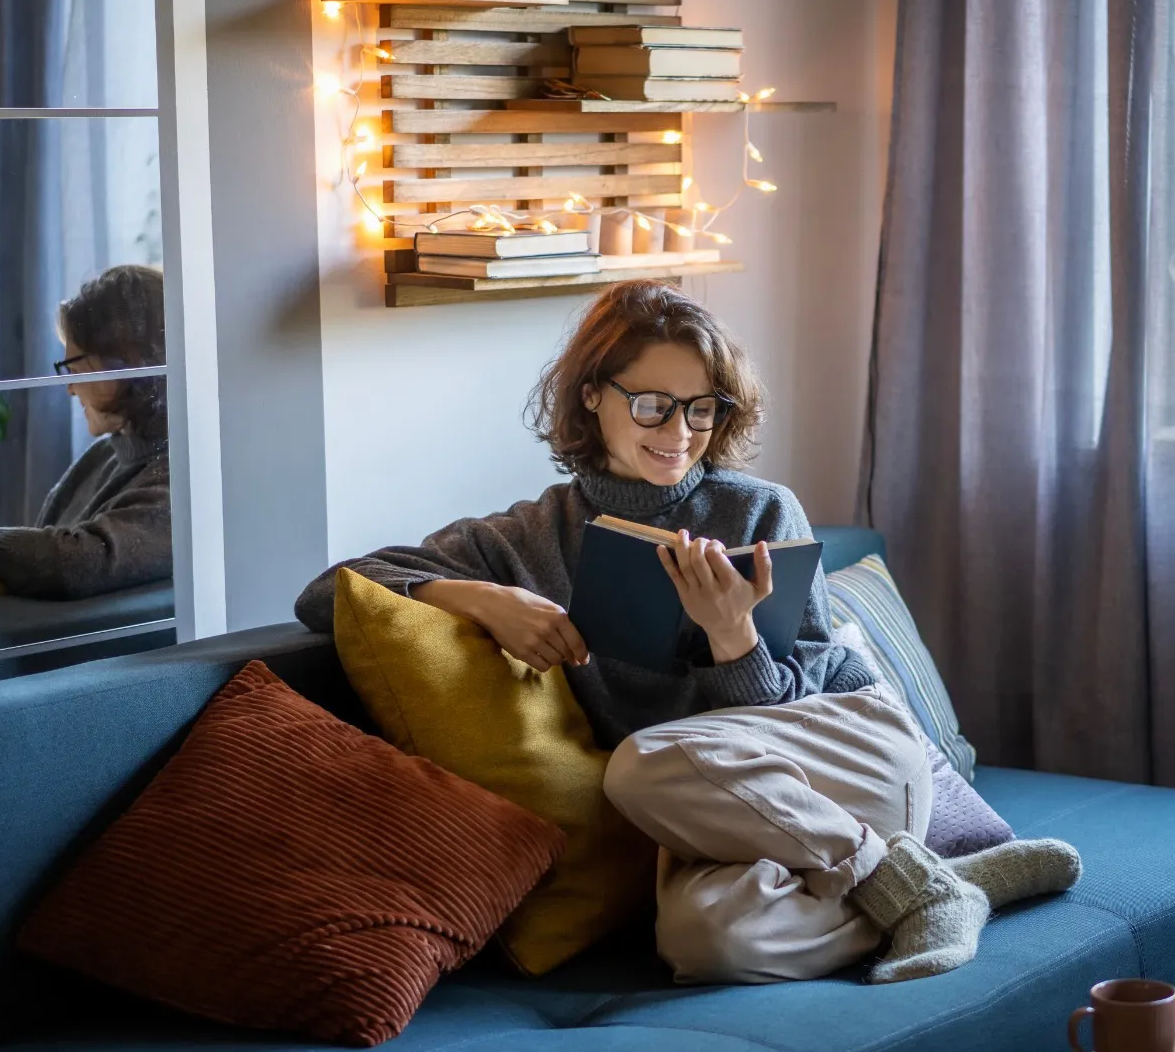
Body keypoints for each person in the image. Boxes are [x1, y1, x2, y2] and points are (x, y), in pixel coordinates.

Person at [295, 281, 1077, 985]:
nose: (681, 431)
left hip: (852, 762)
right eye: (653, 405)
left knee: (637, 766)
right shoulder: (527, 539)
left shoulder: (760, 512)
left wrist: (734, 639)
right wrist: (478, 597)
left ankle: (914, 882)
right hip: (725, 820)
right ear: (593, 396)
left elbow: (820, 687)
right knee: (705, 942)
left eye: (702, 408)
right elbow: (330, 591)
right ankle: (942, 888)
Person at [0, 264, 172, 601]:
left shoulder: (179, 477)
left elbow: (78, 561)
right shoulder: (104, 454)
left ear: (127, 362)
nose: (69, 389)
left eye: (75, 368)